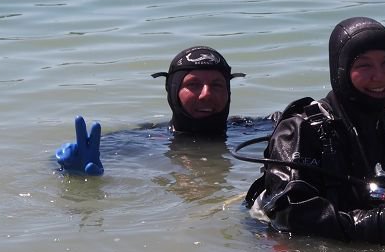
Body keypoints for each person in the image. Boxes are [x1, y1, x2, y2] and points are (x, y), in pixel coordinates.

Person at [244, 17, 385, 246]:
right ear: (341, 71)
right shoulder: (300, 131)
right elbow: (288, 214)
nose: (379, 75)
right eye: (364, 65)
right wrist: (381, 225)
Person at [55, 46, 246, 176]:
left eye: (217, 85)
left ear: (228, 90)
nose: (206, 94)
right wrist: (73, 174)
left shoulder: (252, 130)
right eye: (193, 84)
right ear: (172, 90)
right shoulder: (142, 139)